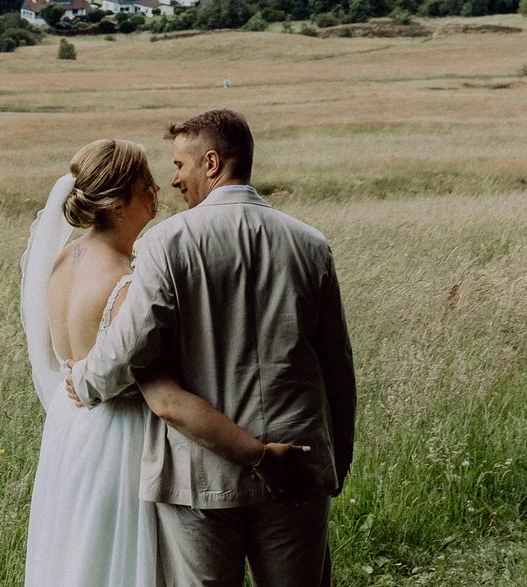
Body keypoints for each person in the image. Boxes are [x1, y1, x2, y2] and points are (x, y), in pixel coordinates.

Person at [69, 110, 356, 587]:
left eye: (180, 165)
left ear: (211, 162)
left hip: (199, 475)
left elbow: (128, 345)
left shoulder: (166, 243)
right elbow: (338, 368)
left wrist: (83, 382)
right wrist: (334, 462)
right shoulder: (311, 244)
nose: (174, 179)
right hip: (296, 466)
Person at [21, 138, 312, 587]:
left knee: (82, 560)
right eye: (146, 184)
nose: (159, 189)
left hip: (71, 434)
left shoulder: (63, 261)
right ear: (117, 203)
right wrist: (254, 454)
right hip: (120, 445)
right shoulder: (127, 281)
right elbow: (164, 399)